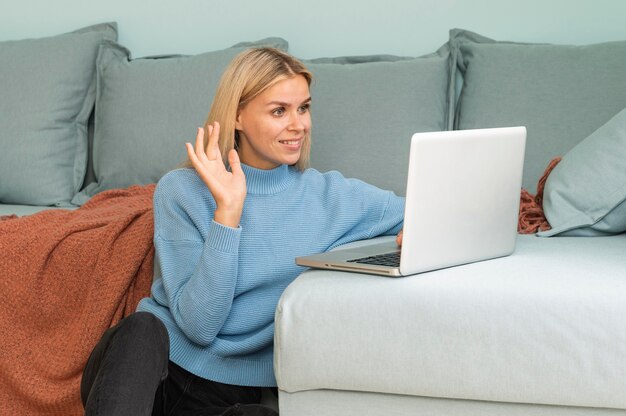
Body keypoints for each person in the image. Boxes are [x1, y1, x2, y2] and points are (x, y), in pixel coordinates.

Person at [81, 47, 404, 416]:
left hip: (228, 396)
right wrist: (228, 214)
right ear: (237, 115)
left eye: (304, 108)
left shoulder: (330, 197)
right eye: (279, 111)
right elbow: (200, 327)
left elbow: (428, 210)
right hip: (148, 372)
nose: (298, 124)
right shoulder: (181, 190)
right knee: (141, 330)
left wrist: (418, 230)